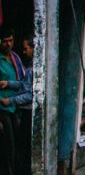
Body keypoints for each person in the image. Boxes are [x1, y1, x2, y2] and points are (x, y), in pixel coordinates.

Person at [2, 37, 33, 174]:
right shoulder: (29, 66)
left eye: (26, 49)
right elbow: (23, 84)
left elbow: (30, 94)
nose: (24, 52)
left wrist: (11, 101)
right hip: (7, 110)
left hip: (19, 109)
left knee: (18, 148)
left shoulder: (29, 67)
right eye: (5, 41)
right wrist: (8, 83)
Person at [0, 26, 22, 175]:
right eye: (5, 41)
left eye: (11, 41)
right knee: (9, 147)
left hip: (16, 107)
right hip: (3, 109)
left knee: (18, 145)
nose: (9, 44)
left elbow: (22, 81)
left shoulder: (15, 58)